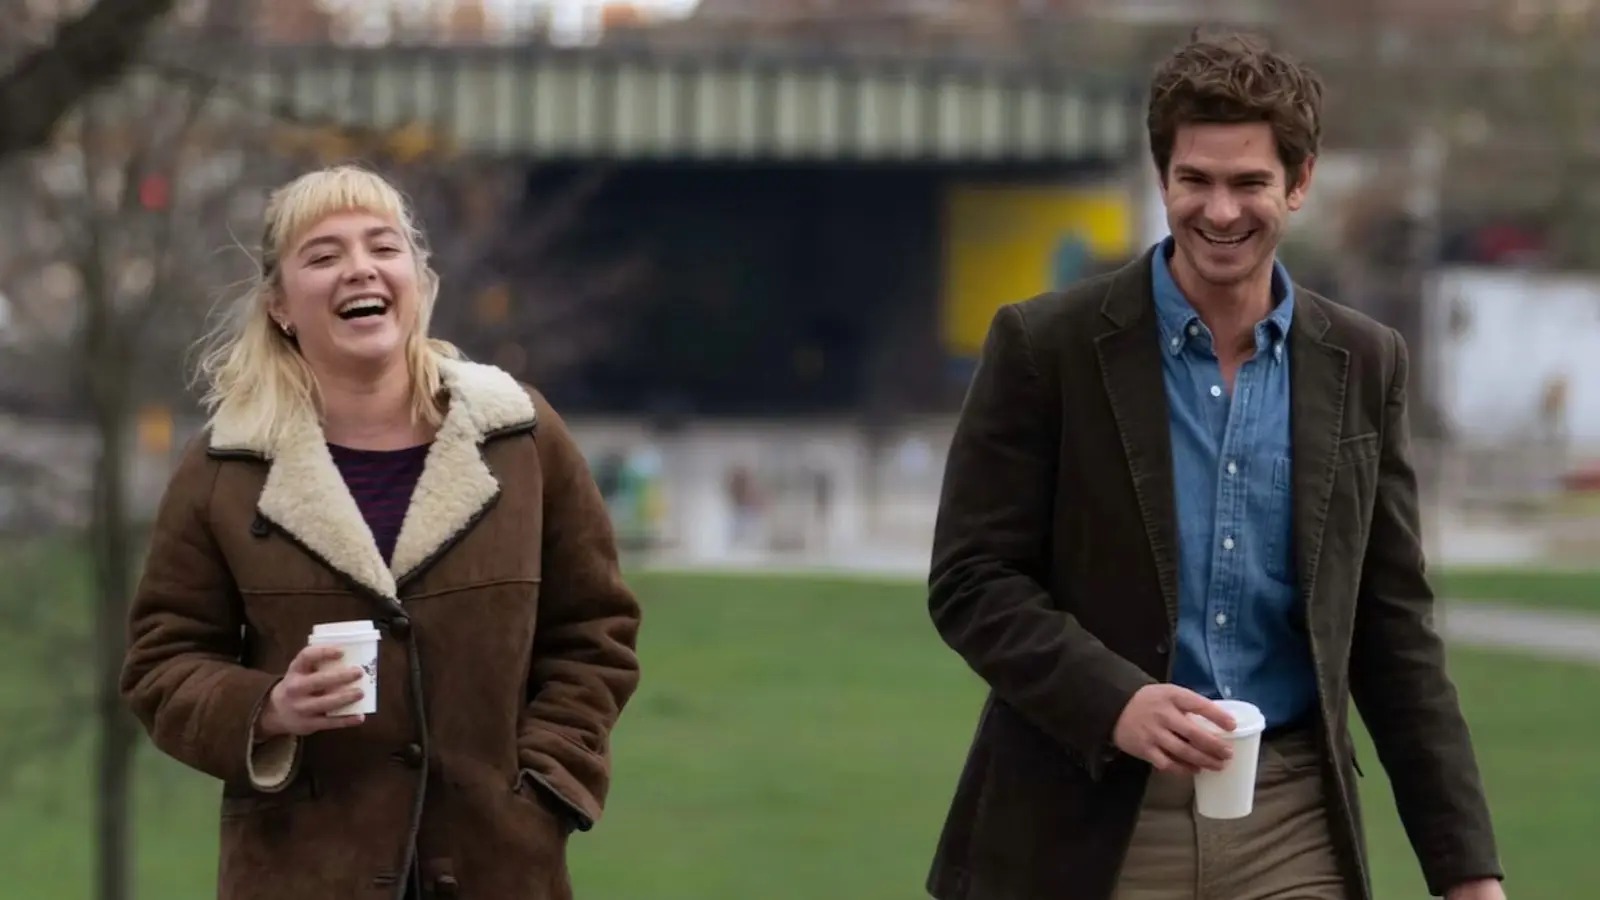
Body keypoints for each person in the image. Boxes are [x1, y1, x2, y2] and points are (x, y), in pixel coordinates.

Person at [924, 32, 1505, 900]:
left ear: (1298, 184)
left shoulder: (1363, 362)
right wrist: (1116, 700)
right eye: (1195, 180)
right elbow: (972, 579)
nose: (1220, 211)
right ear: (1163, 180)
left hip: (1290, 817)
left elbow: (1393, 629)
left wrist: (1468, 873)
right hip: (1092, 818)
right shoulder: (1045, 348)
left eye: (1249, 183)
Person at [119, 164, 642, 900]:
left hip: (498, 867)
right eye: (323, 256)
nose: (359, 269)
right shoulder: (224, 468)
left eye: (383, 247)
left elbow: (596, 631)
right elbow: (161, 664)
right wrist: (269, 708)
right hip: (299, 871)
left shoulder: (521, 439)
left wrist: (547, 787)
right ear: (280, 306)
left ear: (419, 281)